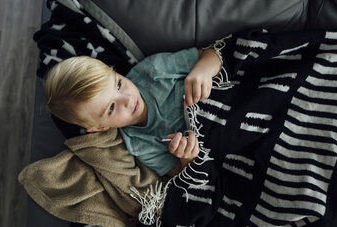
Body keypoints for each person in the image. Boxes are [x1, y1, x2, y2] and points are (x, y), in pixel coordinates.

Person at [45, 46, 222, 178]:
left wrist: (203, 71)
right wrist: (186, 157)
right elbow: (179, 175)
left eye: (119, 84)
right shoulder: (139, 145)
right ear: (99, 128)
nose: (128, 99)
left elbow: (213, 53)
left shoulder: (153, 70)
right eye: (112, 108)